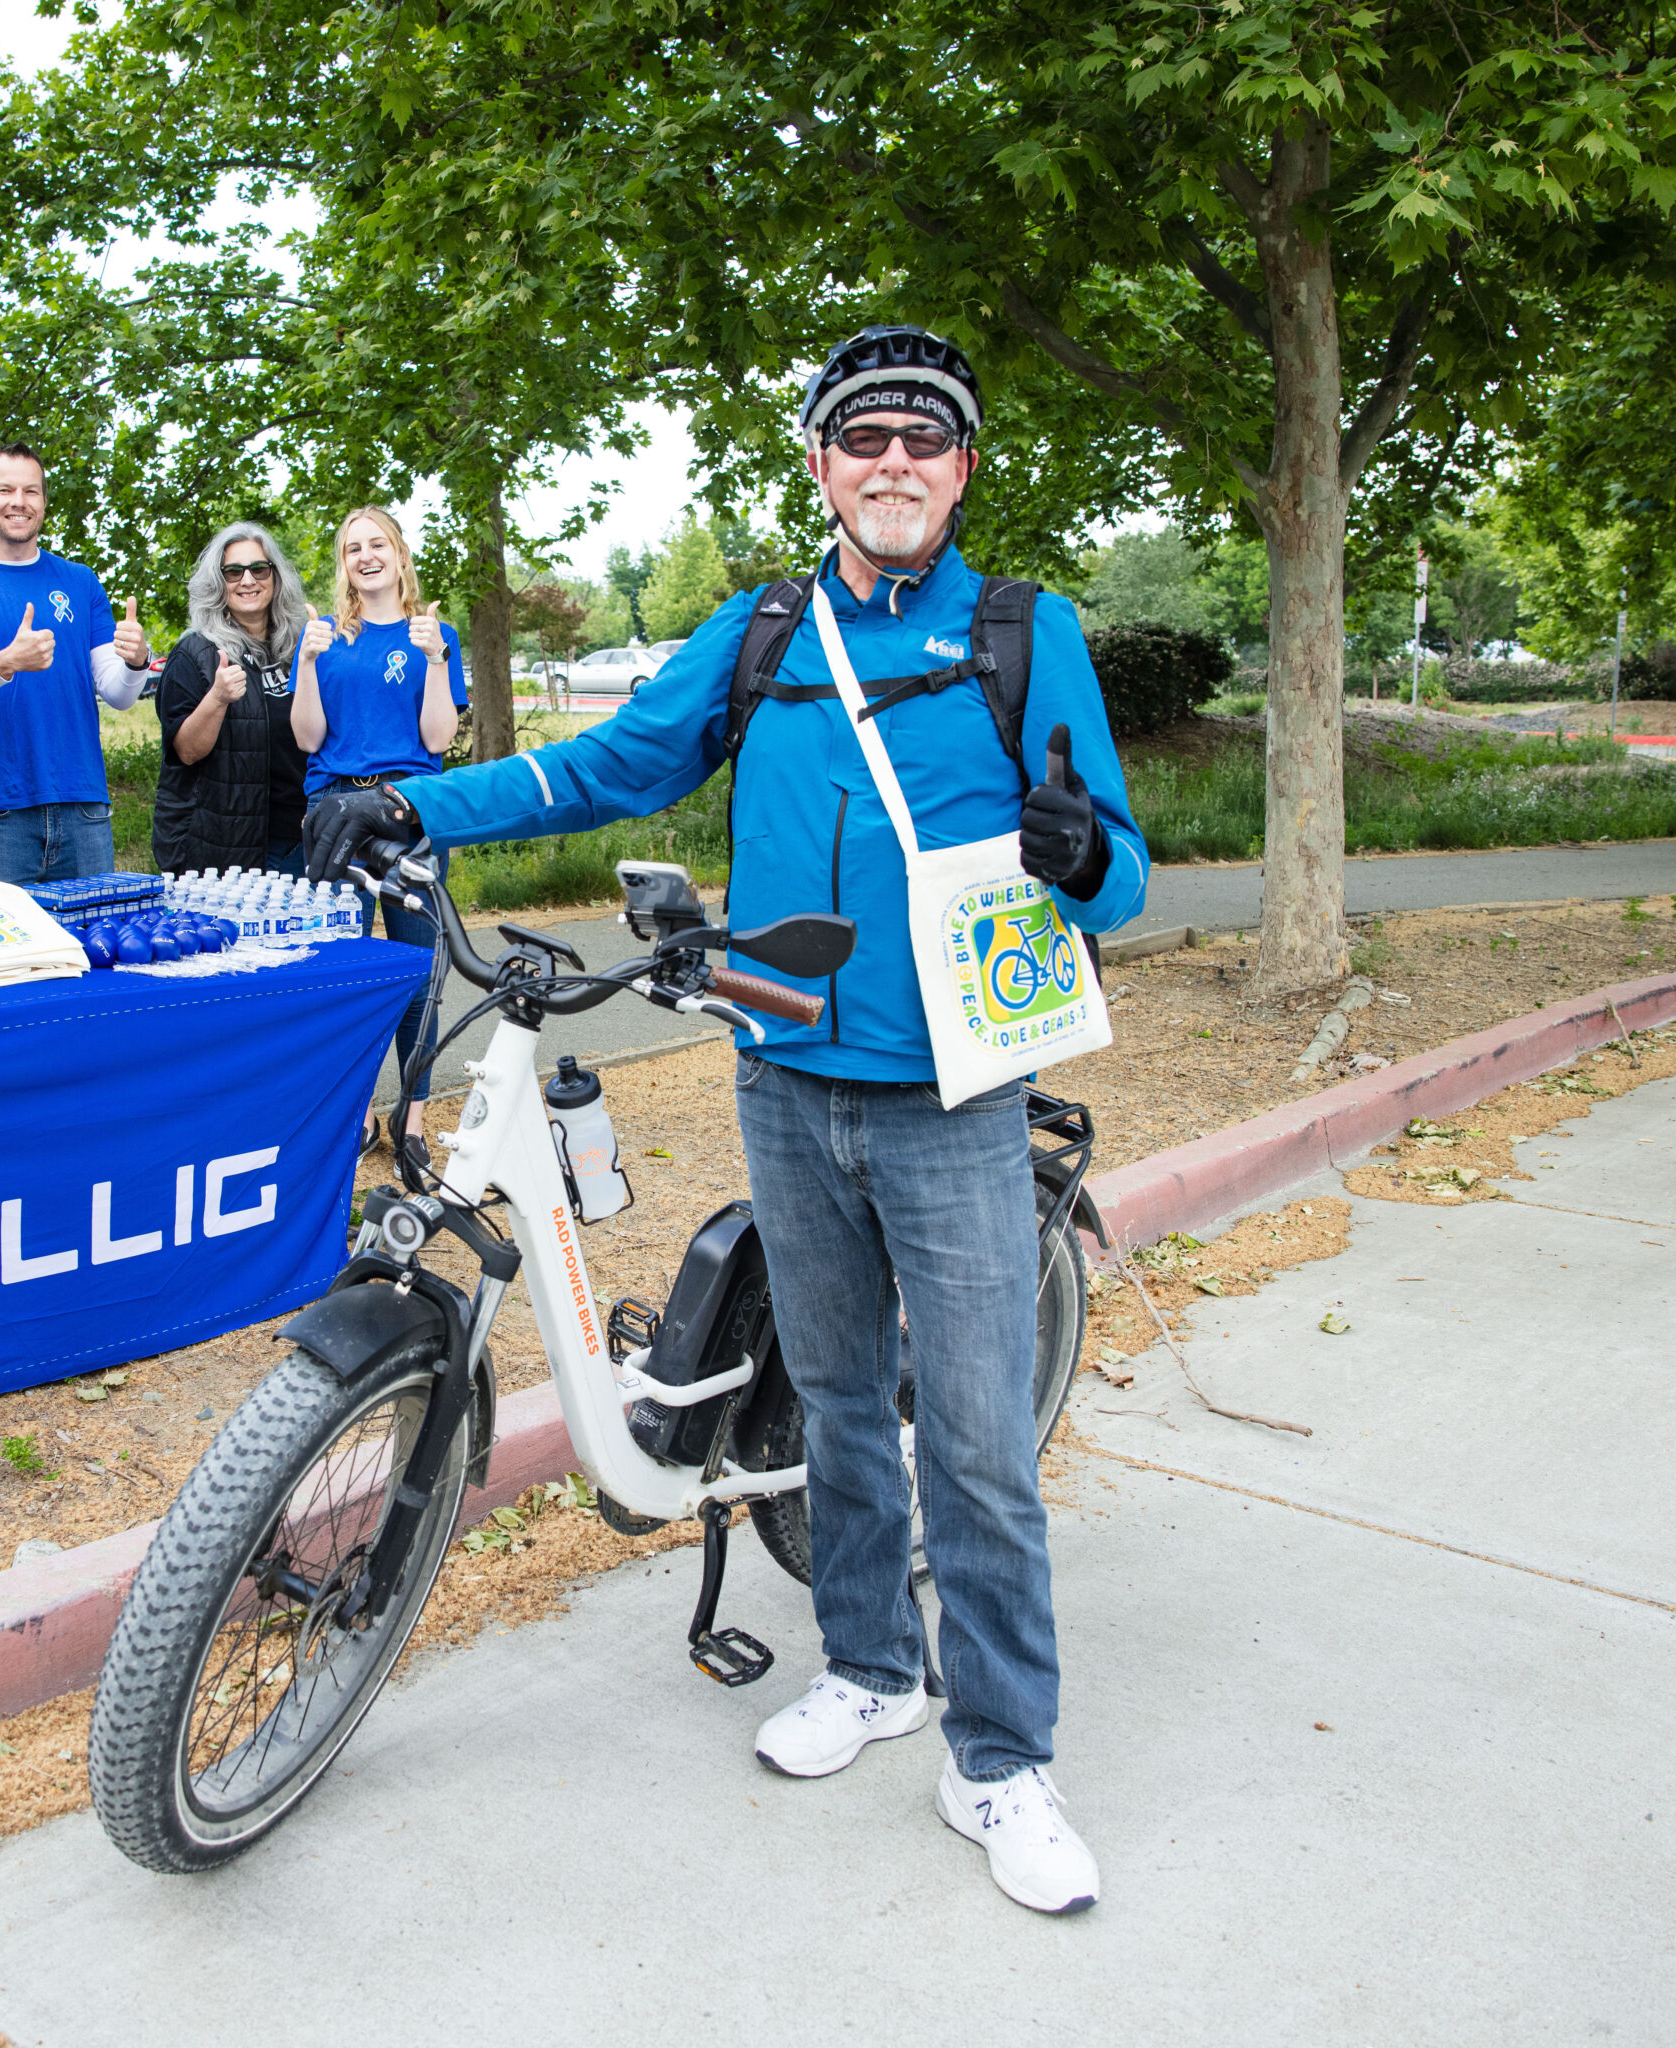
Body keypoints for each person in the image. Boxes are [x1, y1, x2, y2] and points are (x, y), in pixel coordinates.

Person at [305, 327, 1149, 1916]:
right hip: (782, 1075)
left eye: (925, 440)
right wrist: (418, 800)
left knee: (972, 1443)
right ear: (823, 466)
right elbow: (612, 763)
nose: (892, 462)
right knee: (833, 1404)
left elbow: (1125, 868)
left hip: (960, 1101)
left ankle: (1005, 1757)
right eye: (863, 438)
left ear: (962, 472)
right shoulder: (765, 630)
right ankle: (876, 1670)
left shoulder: (1032, 638)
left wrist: (1076, 848)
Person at [292, 505, 467, 1168]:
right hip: (336, 805)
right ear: (343, 562)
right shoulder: (324, 636)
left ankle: (412, 1119)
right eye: (351, 548)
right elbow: (307, 738)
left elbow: (437, 739)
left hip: (410, 807)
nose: (365, 556)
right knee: (344, 970)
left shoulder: (433, 634)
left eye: (377, 544)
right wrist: (306, 665)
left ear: (398, 554)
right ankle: (356, 1114)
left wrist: (434, 660)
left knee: (420, 968)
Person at [0, 444, 151, 885]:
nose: (19, 501)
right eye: (5, 489)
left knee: (91, 951)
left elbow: (118, 693)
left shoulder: (80, 581)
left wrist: (136, 661)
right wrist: (6, 662)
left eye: (31, 491)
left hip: (82, 806)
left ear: (44, 502)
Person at [153, 522, 312, 875]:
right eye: (233, 572)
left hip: (303, 838)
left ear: (275, 576)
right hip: (226, 848)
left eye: (259, 568)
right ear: (217, 583)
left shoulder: (299, 648)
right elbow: (187, 752)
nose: (248, 580)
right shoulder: (195, 653)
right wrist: (218, 698)